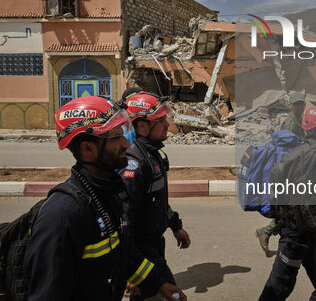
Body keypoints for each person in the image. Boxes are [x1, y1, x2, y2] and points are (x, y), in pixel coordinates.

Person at [24, 96, 185, 301]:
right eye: (116, 136)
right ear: (88, 149)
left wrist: (156, 283)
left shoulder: (105, 194)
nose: (127, 143)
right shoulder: (63, 213)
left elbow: (124, 252)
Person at [260, 106, 316, 300]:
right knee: (282, 286)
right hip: (303, 233)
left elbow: (276, 197)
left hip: (296, 231)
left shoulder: (294, 154)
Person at [120, 92, 191, 300]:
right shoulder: (134, 166)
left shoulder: (152, 155)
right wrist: (131, 269)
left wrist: (175, 226)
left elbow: (157, 202)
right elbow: (124, 224)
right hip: (142, 252)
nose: (167, 124)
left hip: (154, 247)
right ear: (142, 126)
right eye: (161, 120)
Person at [256, 91, 307, 254]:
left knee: (292, 207)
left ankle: (269, 231)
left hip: (292, 169)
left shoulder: (297, 121)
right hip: (288, 171)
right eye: (297, 104)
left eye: (301, 104)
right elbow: (287, 151)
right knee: (291, 207)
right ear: (290, 105)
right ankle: (269, 231)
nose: (300, 107)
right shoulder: (291, 123)